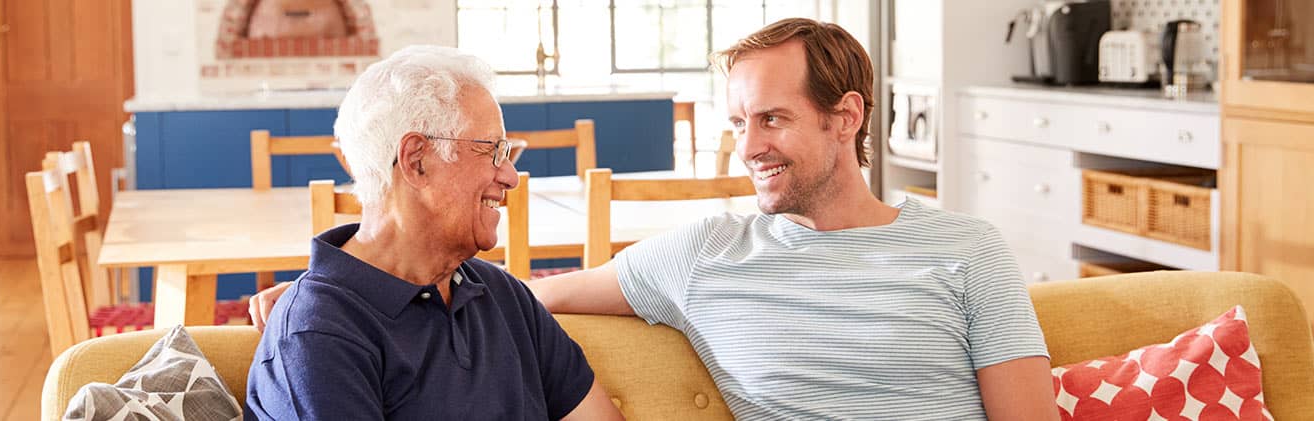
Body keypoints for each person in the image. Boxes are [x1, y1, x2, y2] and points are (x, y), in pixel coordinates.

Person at [254, 19, 1058, 420]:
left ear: (846, 118)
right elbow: (535, 291)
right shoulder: (706, 253)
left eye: (770, 119)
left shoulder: (969, 250)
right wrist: (323, 294)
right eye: (739, 123)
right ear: (415, 159)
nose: (748, 148)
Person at [245, 45, 623, 420]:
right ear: (416, 160)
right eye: (491, 150)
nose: (509, 176)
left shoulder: (502, 294)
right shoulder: (317, 335)